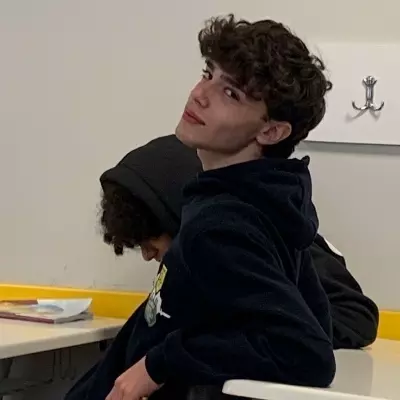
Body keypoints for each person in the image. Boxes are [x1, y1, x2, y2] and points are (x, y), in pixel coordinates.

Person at [66, 15, 378, 400]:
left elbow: (306, 351)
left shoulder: (222, 224)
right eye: (208, 73)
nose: (200, 94)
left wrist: (157, 364)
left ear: (271, 131)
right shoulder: (264, 204)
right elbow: (312, 322)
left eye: (231, 93)